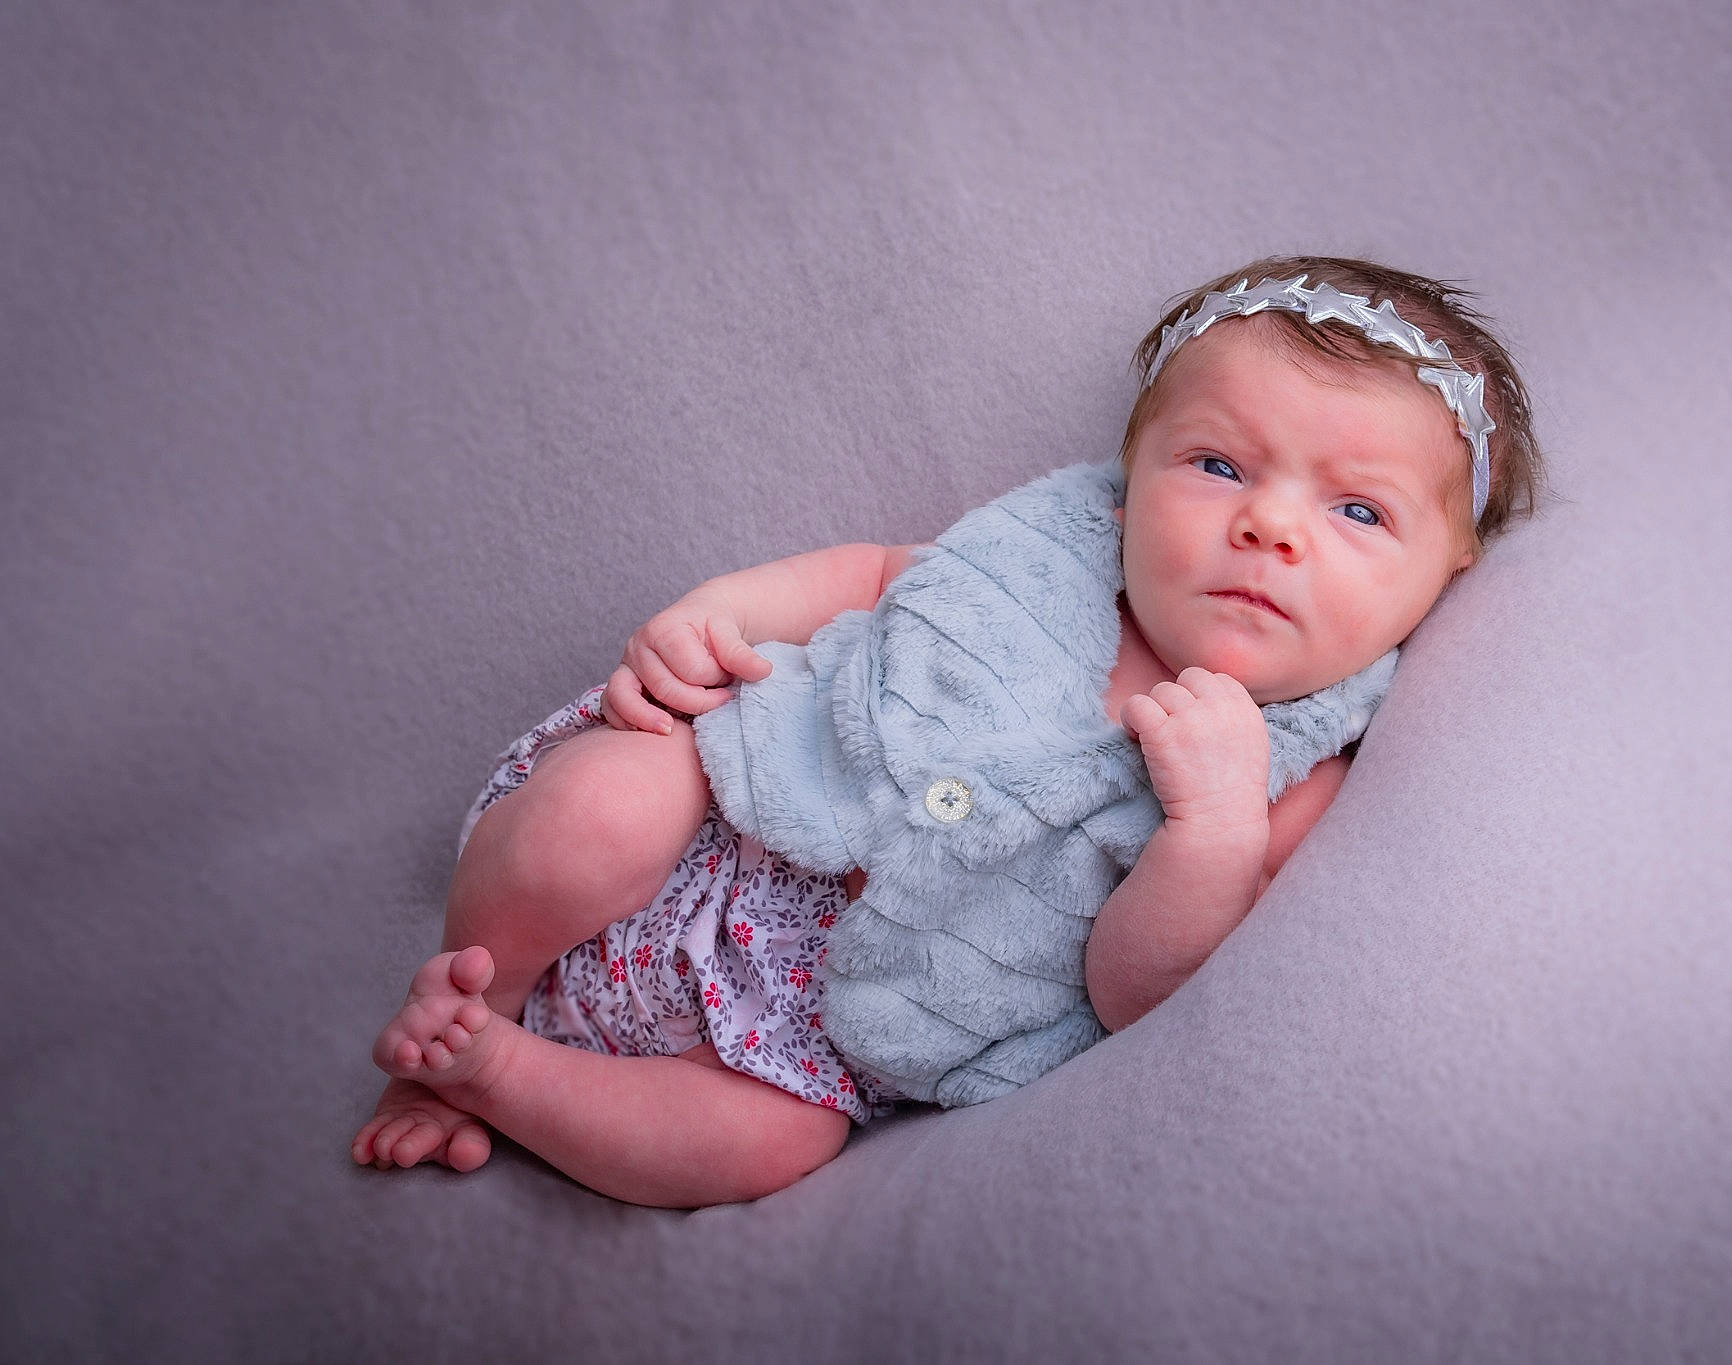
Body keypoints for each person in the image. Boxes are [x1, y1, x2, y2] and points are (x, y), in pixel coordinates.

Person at [350, 254, 1547, 1207]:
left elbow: (1135, 997)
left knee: (767, 1149)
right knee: (598, 811)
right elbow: (874, 571)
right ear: (1131, 474)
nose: (1269, 527)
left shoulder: (1289, 775)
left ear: (1447, 568)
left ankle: (500, 1077)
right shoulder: (1048, 557)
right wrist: (710, 617)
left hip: (816, 1028)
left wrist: (1212, 827)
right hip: (728, 808)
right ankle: (484, 987)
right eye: (1219, 464)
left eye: (1354, 509)